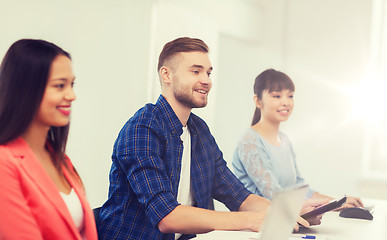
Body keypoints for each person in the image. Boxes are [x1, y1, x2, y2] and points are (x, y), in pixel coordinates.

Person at [98, 37, 322, 240]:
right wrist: (250, 220)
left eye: (208, 72)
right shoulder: (142, 129)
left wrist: (284, 214)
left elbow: (238, 196)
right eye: (196, 72)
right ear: (167, 75)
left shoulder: (199, 130)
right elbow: (166, 216)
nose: (206, 80)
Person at [0, 39, 98, 239]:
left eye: (71, 84)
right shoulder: (4, 164)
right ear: (26, 90)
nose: (72, 95)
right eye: (60, 86)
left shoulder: (60, 160)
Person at [232, 69, 363, 211]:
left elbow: (299, 188)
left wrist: (337, 202)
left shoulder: (284, 139)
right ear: (258, 101)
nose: (285, 102)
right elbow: (274, 195)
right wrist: (331, 206)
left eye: (290, 96)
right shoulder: (250, 141)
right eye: (277, 96)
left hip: (285, 220)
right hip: (255, 225)